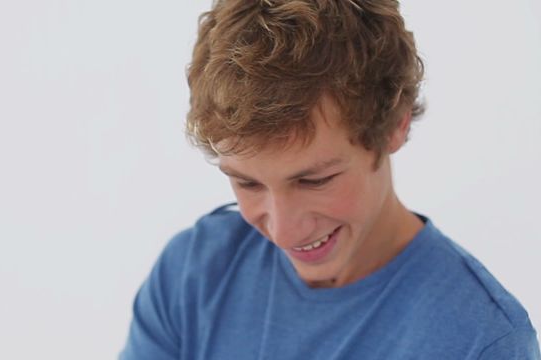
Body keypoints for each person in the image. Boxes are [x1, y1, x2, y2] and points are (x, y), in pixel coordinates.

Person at [120, 0, 541, 358]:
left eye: (315, 181)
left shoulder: (479, 339)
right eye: (247, 184)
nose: (283, 231)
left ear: (395, 124)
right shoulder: (193, 277)